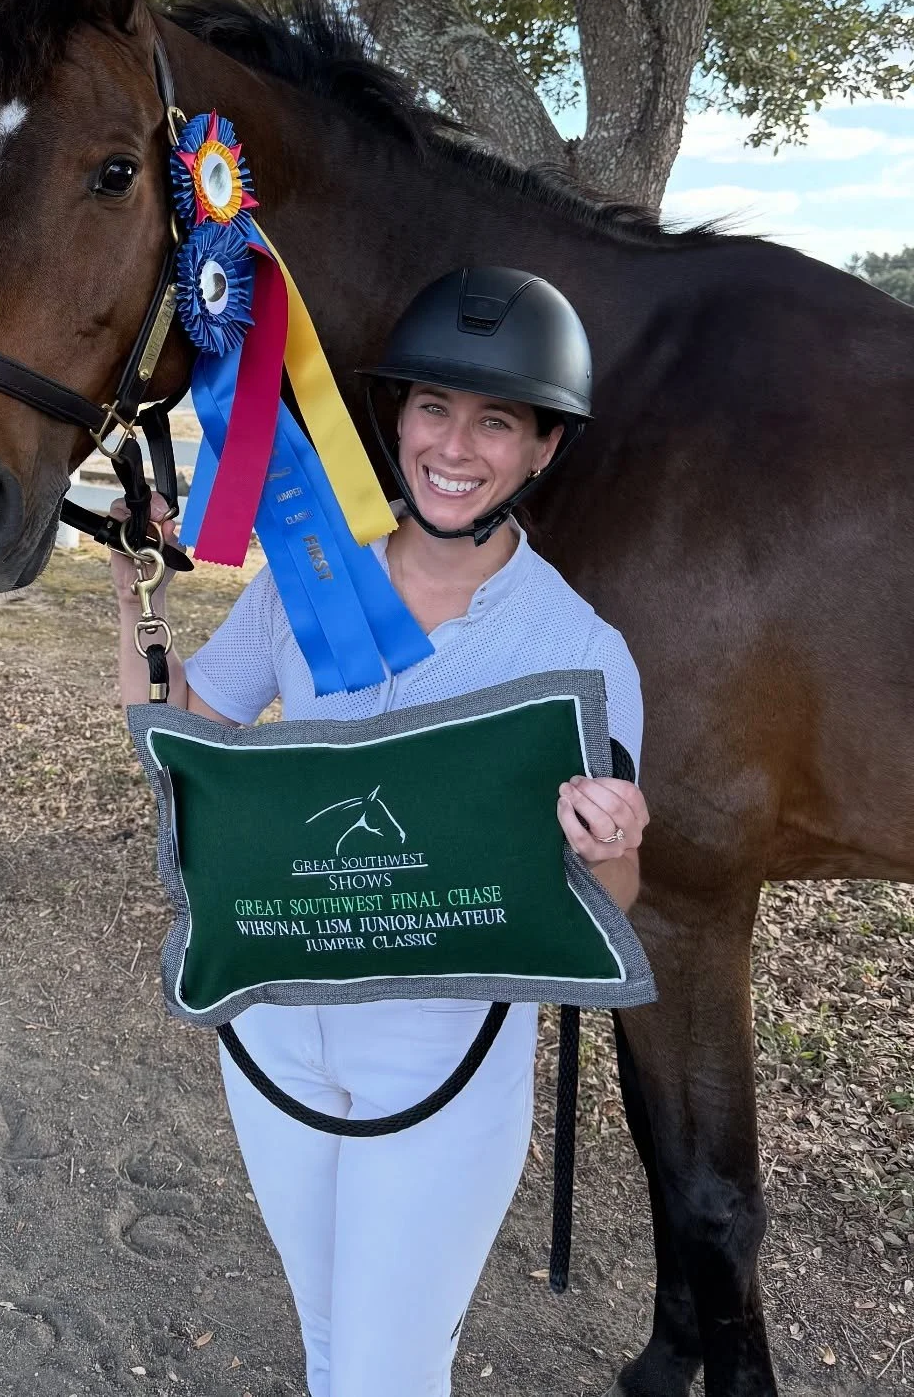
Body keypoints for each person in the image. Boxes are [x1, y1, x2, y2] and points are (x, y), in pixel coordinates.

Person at [109, 267, 650, 1397]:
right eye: (433, 410)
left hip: (443, 1045)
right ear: (395, 422)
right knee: (328, 1343)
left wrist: (606, 843)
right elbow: (184, 739)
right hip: (280, 1027)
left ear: (543, 448)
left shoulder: (582, 651)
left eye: (496, 421)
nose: (456, 447)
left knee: (384, 1372)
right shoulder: (306, 583)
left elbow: (618, 896)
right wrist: (134, 598)